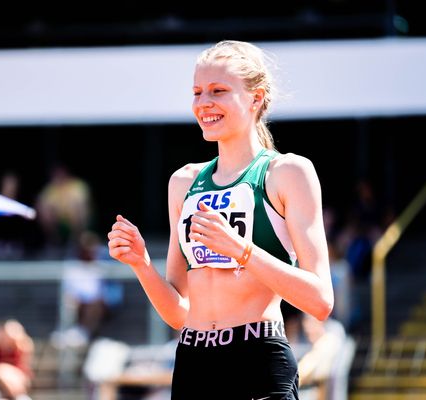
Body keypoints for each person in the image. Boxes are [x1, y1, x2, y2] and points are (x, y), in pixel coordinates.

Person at [107, 40, 334, 399]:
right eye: (197, 92)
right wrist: (141, 264)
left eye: (218, 91)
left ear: (255, 98)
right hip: (193, 363)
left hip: (258, 359)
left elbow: (321, 301)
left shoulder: (287, 172)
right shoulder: (183, 182)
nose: (203, 103)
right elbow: (180, 314)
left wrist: (242, 250)